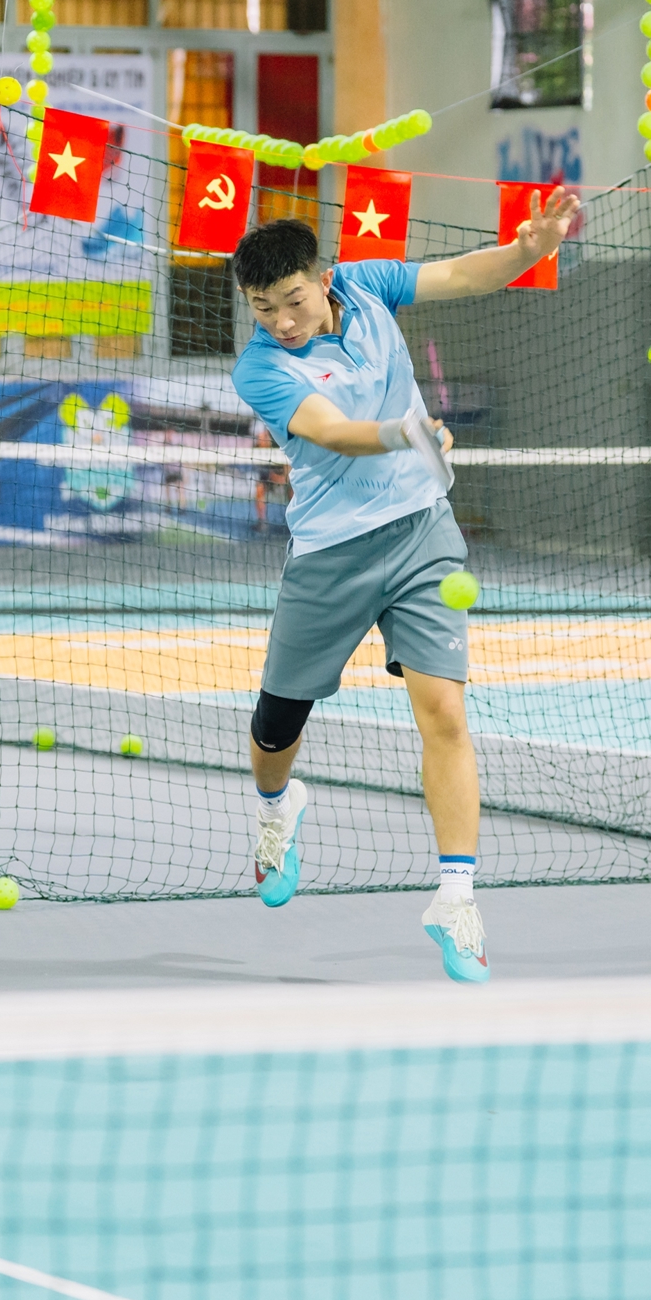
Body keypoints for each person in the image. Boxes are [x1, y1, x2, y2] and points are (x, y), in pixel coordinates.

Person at [228, 193, 579, 985]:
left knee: (445, 711)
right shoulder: (261, 366)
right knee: (277, 725)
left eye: (293, 300)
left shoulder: (370, 284)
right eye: (263, 308)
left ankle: (456, 898)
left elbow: (462, 274)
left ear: (323, 279)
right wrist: (406, 432)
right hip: (332, 551)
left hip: (422, 528)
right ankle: (277, 810)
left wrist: (530, 250)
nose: (282, 320)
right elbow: (329, 430)